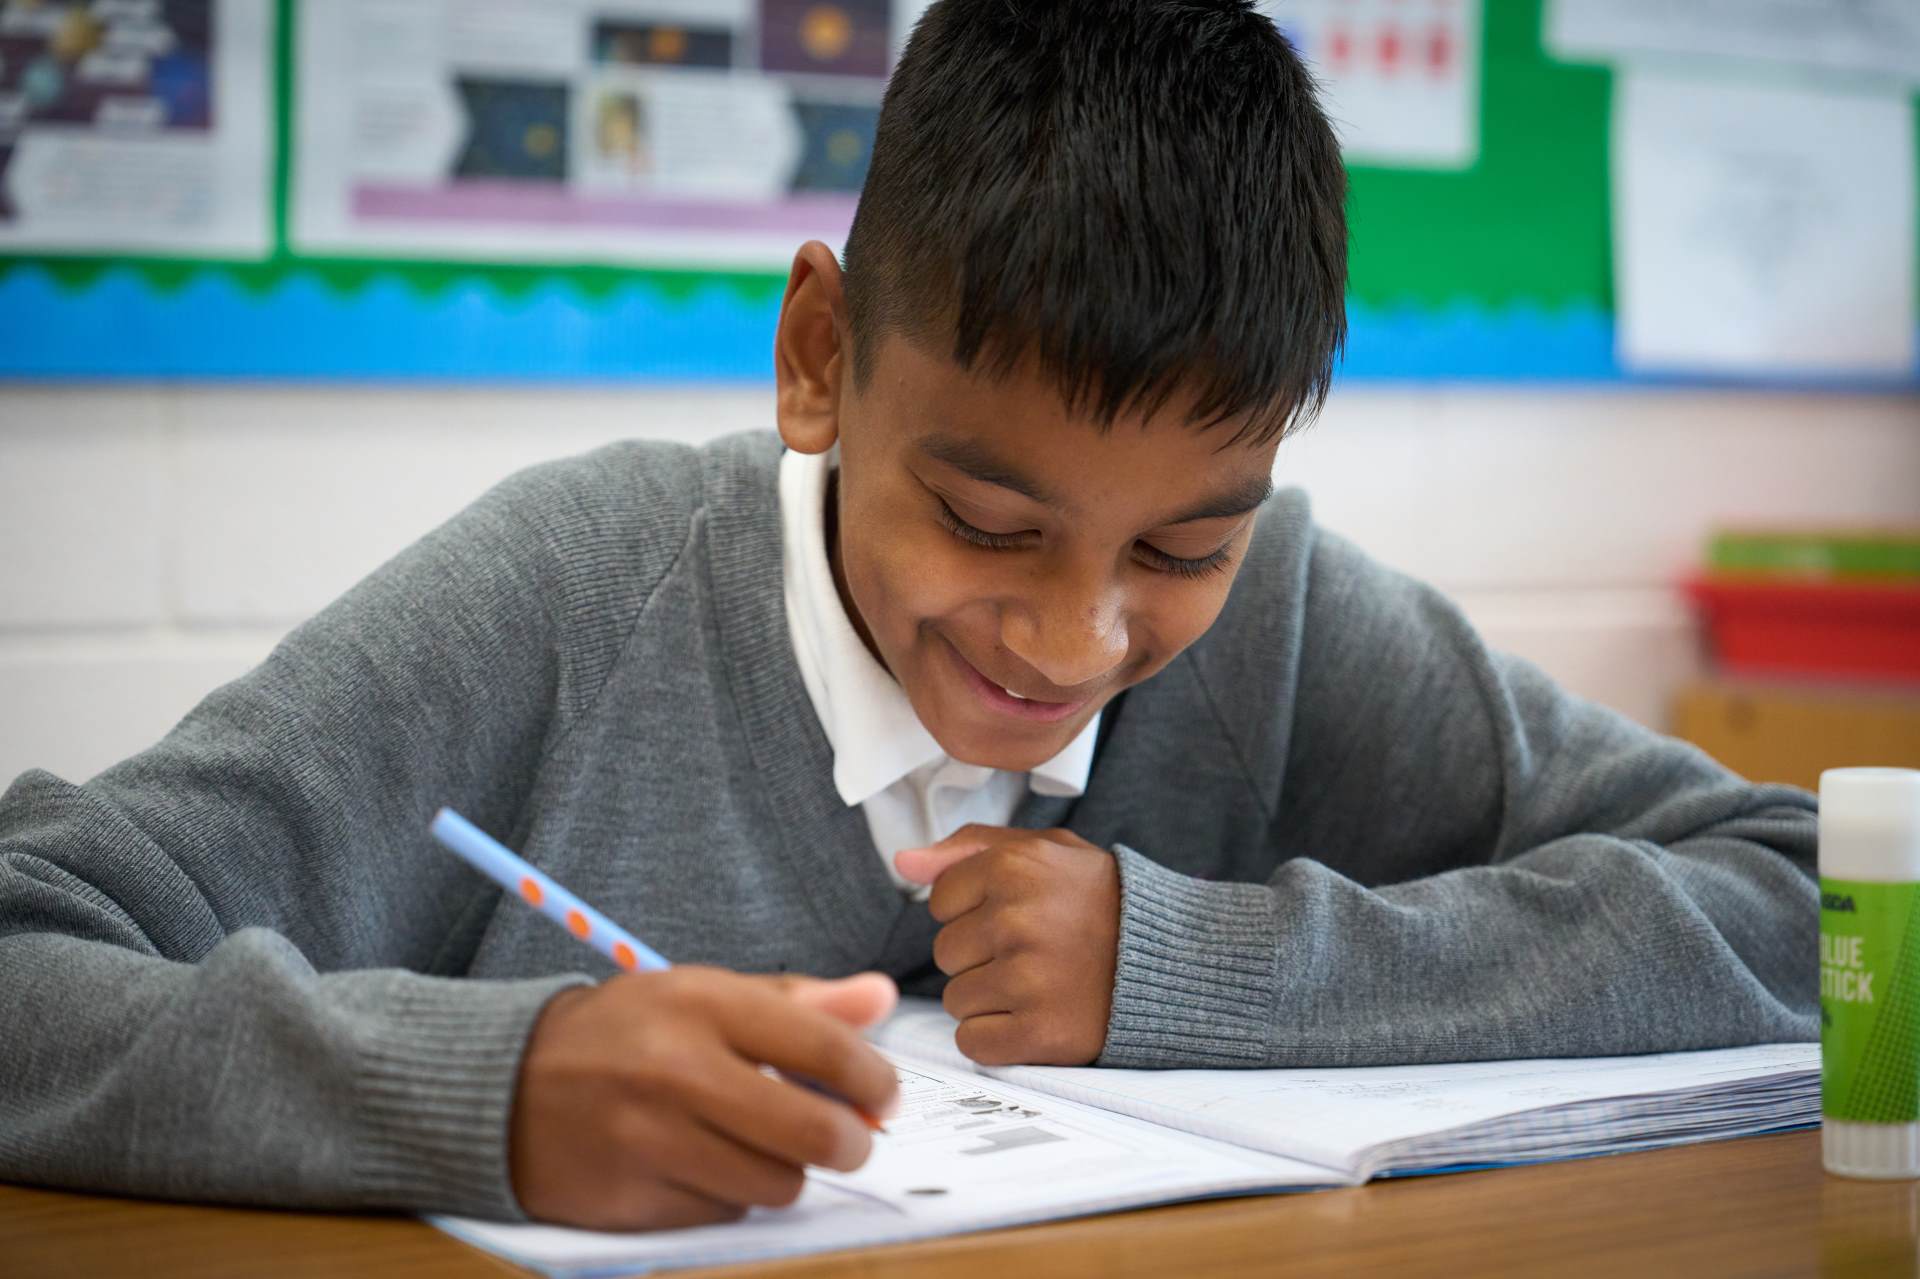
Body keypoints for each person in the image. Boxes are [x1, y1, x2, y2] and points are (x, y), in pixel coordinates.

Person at [0, 0, 1815, 1236]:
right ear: (819, 357)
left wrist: (1195, 969)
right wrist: (476, 1091)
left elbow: (1813, 893)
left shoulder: (1290, 631)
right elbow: (28, 957)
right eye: (985, 522)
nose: (1077, 641)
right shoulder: (571, 596)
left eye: (1183, 549)